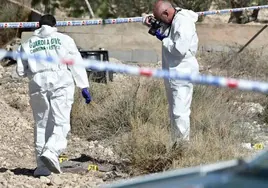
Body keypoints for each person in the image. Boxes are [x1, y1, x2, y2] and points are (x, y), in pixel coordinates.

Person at [16, 14, 91, 176]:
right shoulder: (64, 39)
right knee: (61, 121)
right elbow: (75, 63)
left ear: (39, 25)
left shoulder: (27, 43)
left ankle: (42, 167)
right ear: (55, 25)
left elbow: (20, 71)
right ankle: (52, 151)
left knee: (41, 124)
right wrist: (83, 86)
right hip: (60, 79)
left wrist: (34, 73)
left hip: (37, 82)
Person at [142, 0, 199, 147]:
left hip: (183, 72)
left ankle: (182, 148)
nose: (161, 22)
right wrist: (151, 22)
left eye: (161, 19)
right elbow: (164, 26)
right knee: (174, 112)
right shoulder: (172, 17)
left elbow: (179, 49)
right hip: (172, 72)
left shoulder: (184, 23)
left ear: (167, 13)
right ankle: (175, 144)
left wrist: (163, 39)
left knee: (180, 112)